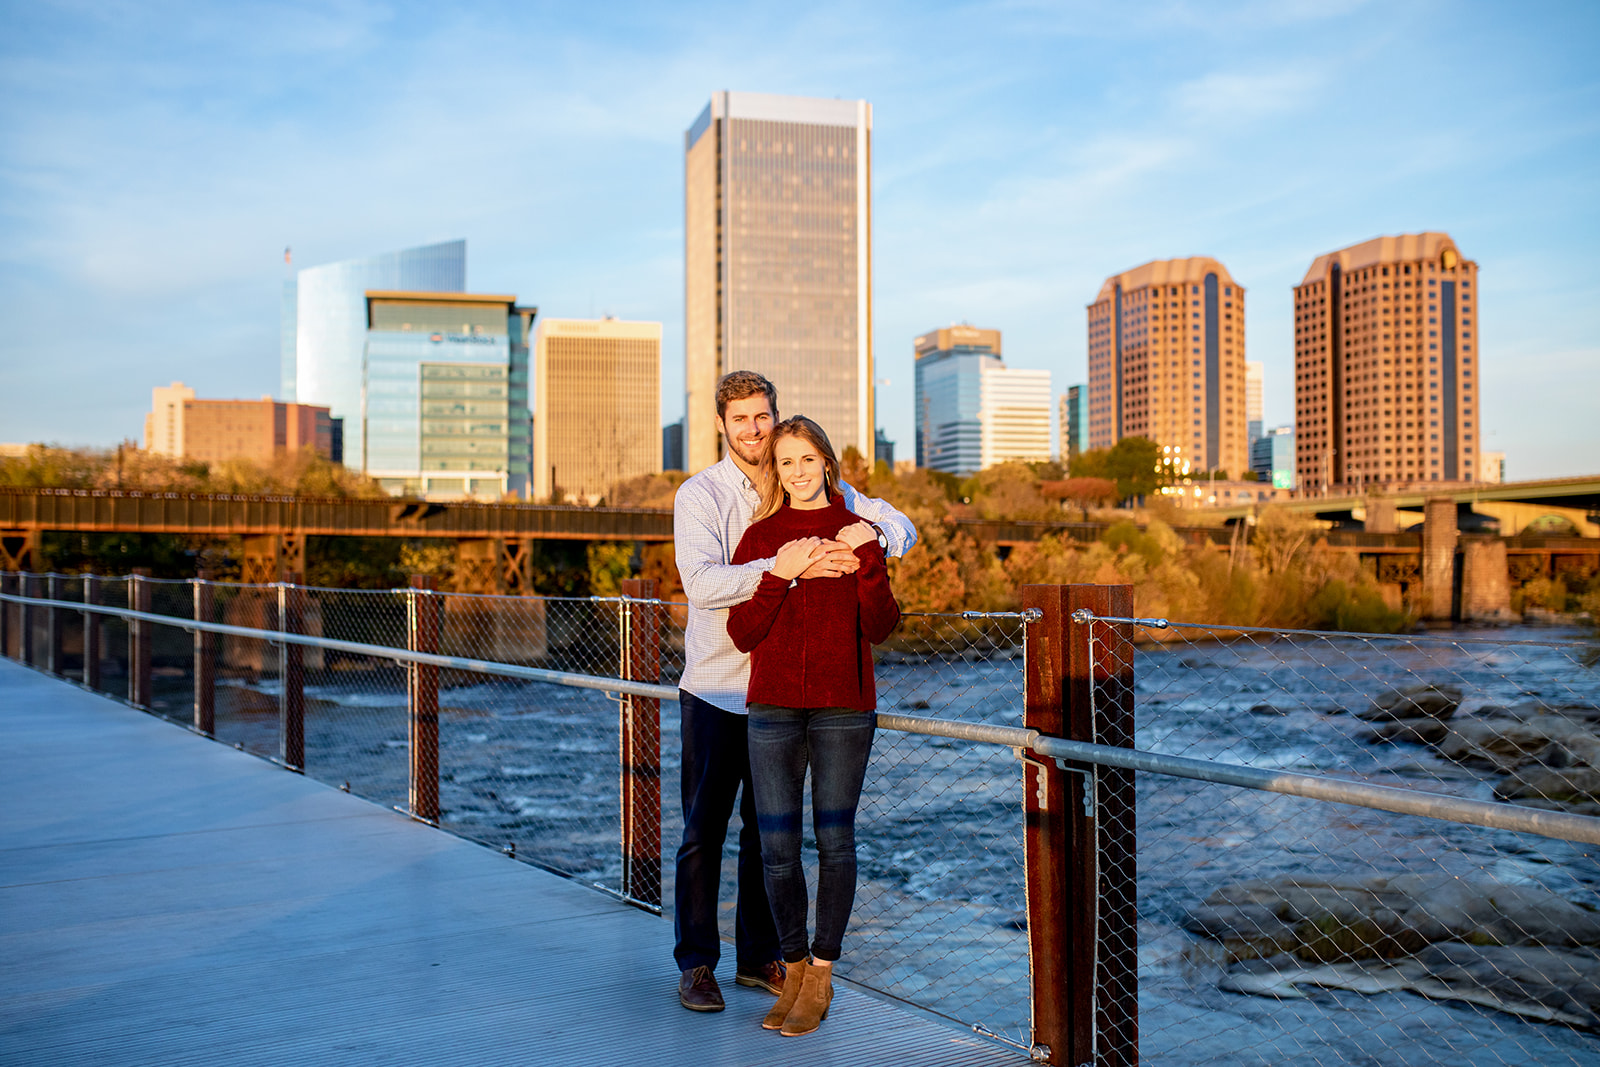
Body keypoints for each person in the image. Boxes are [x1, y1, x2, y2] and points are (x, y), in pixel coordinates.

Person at [673, 371, 917, 1013]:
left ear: (777, 419)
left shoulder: (810, 478)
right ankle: (697, 963)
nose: (753, 431)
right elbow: (701, 585)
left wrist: (871, 544)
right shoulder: (701, 495)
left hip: (784, 693)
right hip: (719, 688)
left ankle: (762, 960)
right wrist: (790, 563)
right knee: (703, 831)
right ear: (722, 427)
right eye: (741, 421)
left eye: (762, 418)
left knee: (768, 835)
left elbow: (899, 526)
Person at [726, 416, 900, 1037]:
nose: (797, 472)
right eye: (786, 462)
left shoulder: (856, 533)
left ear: (827, 462)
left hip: (842, 706)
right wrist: (782, 572)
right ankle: (793, 967)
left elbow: (882, 626)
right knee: (776, 850)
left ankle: (822, 972)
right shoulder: (762, 536)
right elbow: (742, 632)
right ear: (776, 469)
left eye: (807, 459)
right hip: (771, 705)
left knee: (835, 841)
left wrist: (867, 557)